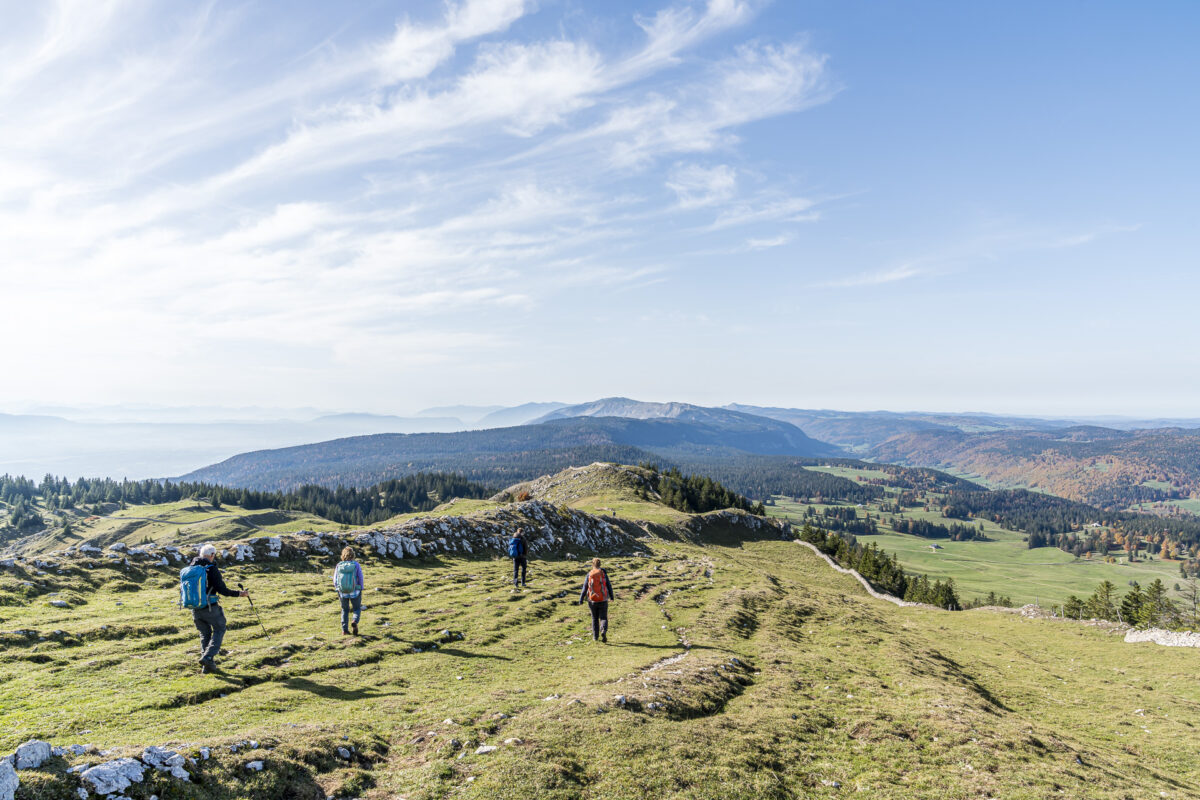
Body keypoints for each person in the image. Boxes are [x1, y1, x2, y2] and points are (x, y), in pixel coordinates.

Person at [187, 544, 248, 673]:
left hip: (194, 608)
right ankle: (208, 657)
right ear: (212, 555)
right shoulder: (211, 568)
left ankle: (207, 667)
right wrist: (239, 593)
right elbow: (222, 590)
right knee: (220, 628)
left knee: (205, 634)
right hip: (209, 607)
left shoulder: (190, 568)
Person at [577, 557, 615, 643]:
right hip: (603, 599)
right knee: (603, 617)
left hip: (592, 600)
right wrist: (611, 597)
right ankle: (603, 631)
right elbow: (609, 586)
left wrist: (581, 599)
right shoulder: (603, 573)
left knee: (594, 618)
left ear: (592, 564)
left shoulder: (589, 574)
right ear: (600, 564)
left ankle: (595, 637)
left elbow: (585, 588)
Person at [334, 547, 365, 635]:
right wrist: (361, 587)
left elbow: (335, 578)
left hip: (342, 592)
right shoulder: (356, 564)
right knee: (356, 608)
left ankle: (344, 630)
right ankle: (354, 620)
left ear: (343, 555)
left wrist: (337, 588)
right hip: (355, 591)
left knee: (345, 610)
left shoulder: (339, 565)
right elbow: (360, 577)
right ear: (353, 555)